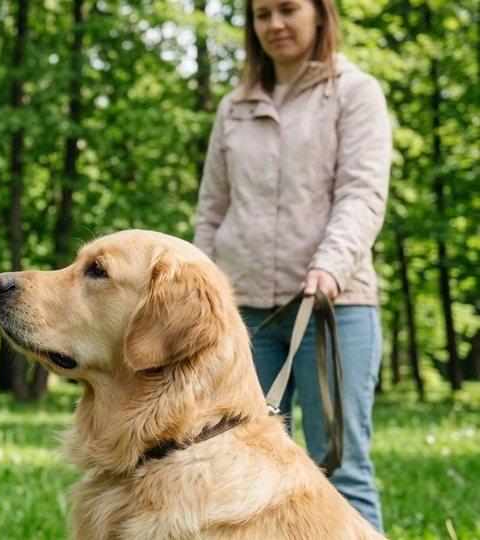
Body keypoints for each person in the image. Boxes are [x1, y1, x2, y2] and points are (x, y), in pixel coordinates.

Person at [193, 0, 391, 532]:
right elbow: (211, 211)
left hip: (333, 308)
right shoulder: (234, 107)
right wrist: (203, 294)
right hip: (244, 317)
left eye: (288, 9)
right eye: (262, 14)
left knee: (340, 468)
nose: (275, 24)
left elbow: (362, 194)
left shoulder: (356, 92)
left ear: (320, 14)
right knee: (234, 458)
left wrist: (331, 266)